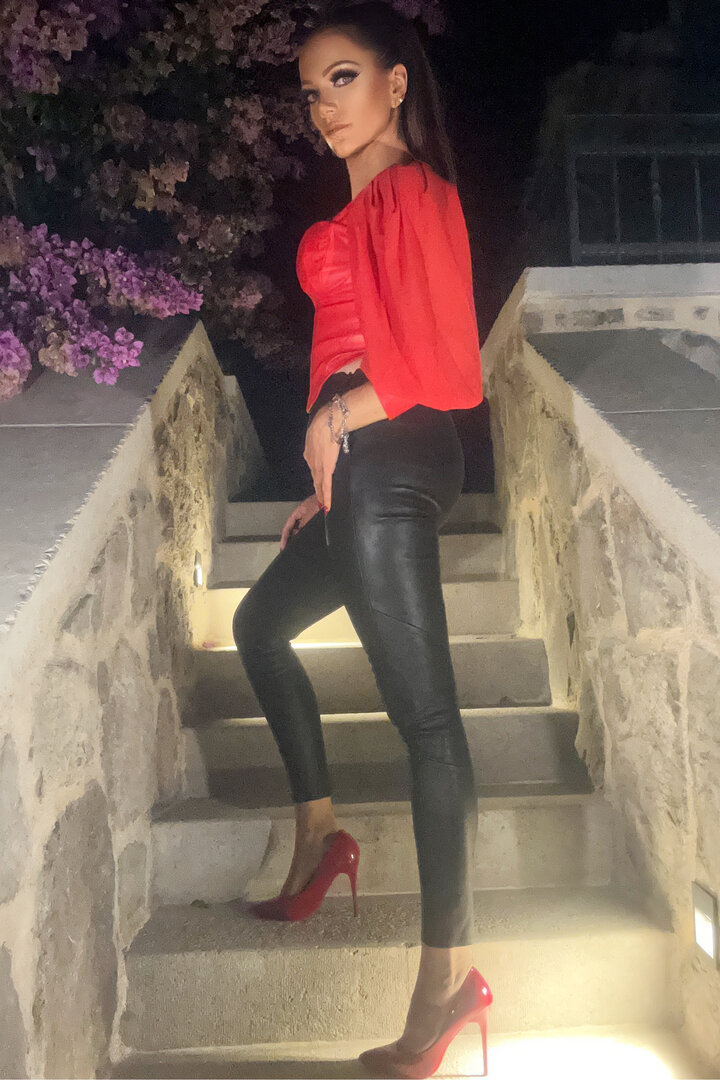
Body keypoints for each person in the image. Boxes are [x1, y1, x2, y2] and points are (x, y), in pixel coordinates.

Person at [232, 2, 494, 1075]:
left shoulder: (417, 192)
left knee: (427, 721)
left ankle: (447, 982)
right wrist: (322, 478)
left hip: (398, 443)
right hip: (358, 463)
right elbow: (343, 344)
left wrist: (342, 419)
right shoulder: (354, 209)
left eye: (342, 78)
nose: (321, 105)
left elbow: (449, 363)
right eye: (310, 90)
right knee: (259, 627)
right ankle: (321, 837)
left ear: (394, 84)